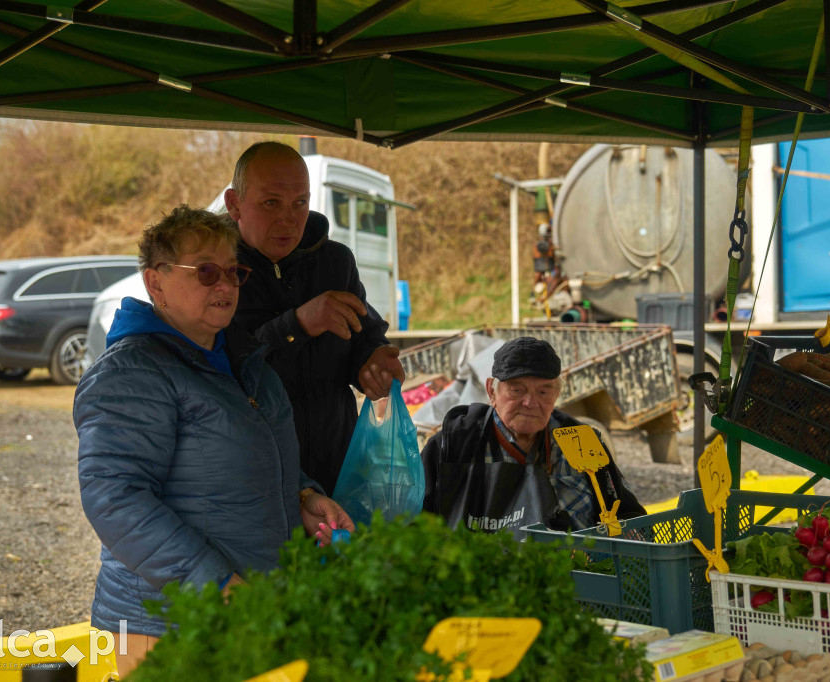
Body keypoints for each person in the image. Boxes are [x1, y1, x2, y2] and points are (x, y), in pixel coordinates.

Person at [74, 205, 353, 676]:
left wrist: (305, 495)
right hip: (169, 624)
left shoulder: (247, 365)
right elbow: (114, 497)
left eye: (233, 271)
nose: (224, 285)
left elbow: (260, 460)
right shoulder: (133, 371)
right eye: (204, 272)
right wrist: (214, 584)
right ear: (155, 283)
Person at [224, 141, 405, 494]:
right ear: (235, 205)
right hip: (252, 474)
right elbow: (226, 365)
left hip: (337, 468)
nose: (287, 219)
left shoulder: (336, 261)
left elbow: (363, 335)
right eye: (271, 202)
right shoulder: (217, 271)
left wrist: (373, 361)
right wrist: (298, 324)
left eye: (300, 203)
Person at [421, 336, 645, 533]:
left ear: (556, 394)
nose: (530, 402)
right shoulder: (453, 445)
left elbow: (629, 515)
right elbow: (417, 525)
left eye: (543, 391)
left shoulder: (582, 441)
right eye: (516, 390)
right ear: (492, 391)